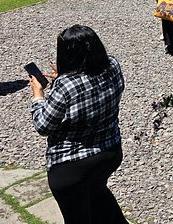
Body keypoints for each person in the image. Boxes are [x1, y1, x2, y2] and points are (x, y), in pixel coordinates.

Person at [29, 24, 128, 224]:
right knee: (98, 195)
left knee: (78, 217)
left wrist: (38, 95)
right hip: (109, 153)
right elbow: (91, 85)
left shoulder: (66, 85)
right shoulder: (113, 65)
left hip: (71, 166)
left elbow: (43, 125)